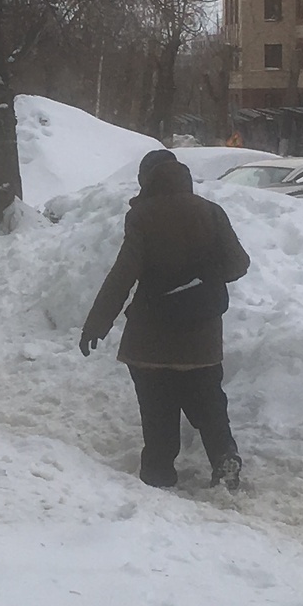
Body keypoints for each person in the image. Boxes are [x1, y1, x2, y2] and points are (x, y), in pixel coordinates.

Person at [79, 149, 250, 492]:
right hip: (200, 334)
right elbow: (238, 264)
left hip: (151, 336)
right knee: (208, 399)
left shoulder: (143, 216)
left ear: (148, 179)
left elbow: (123, 274)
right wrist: (203, 275)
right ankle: (223, 456)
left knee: (158, 407)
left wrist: (97, 323)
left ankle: (158, 473)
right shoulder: (212, 212)